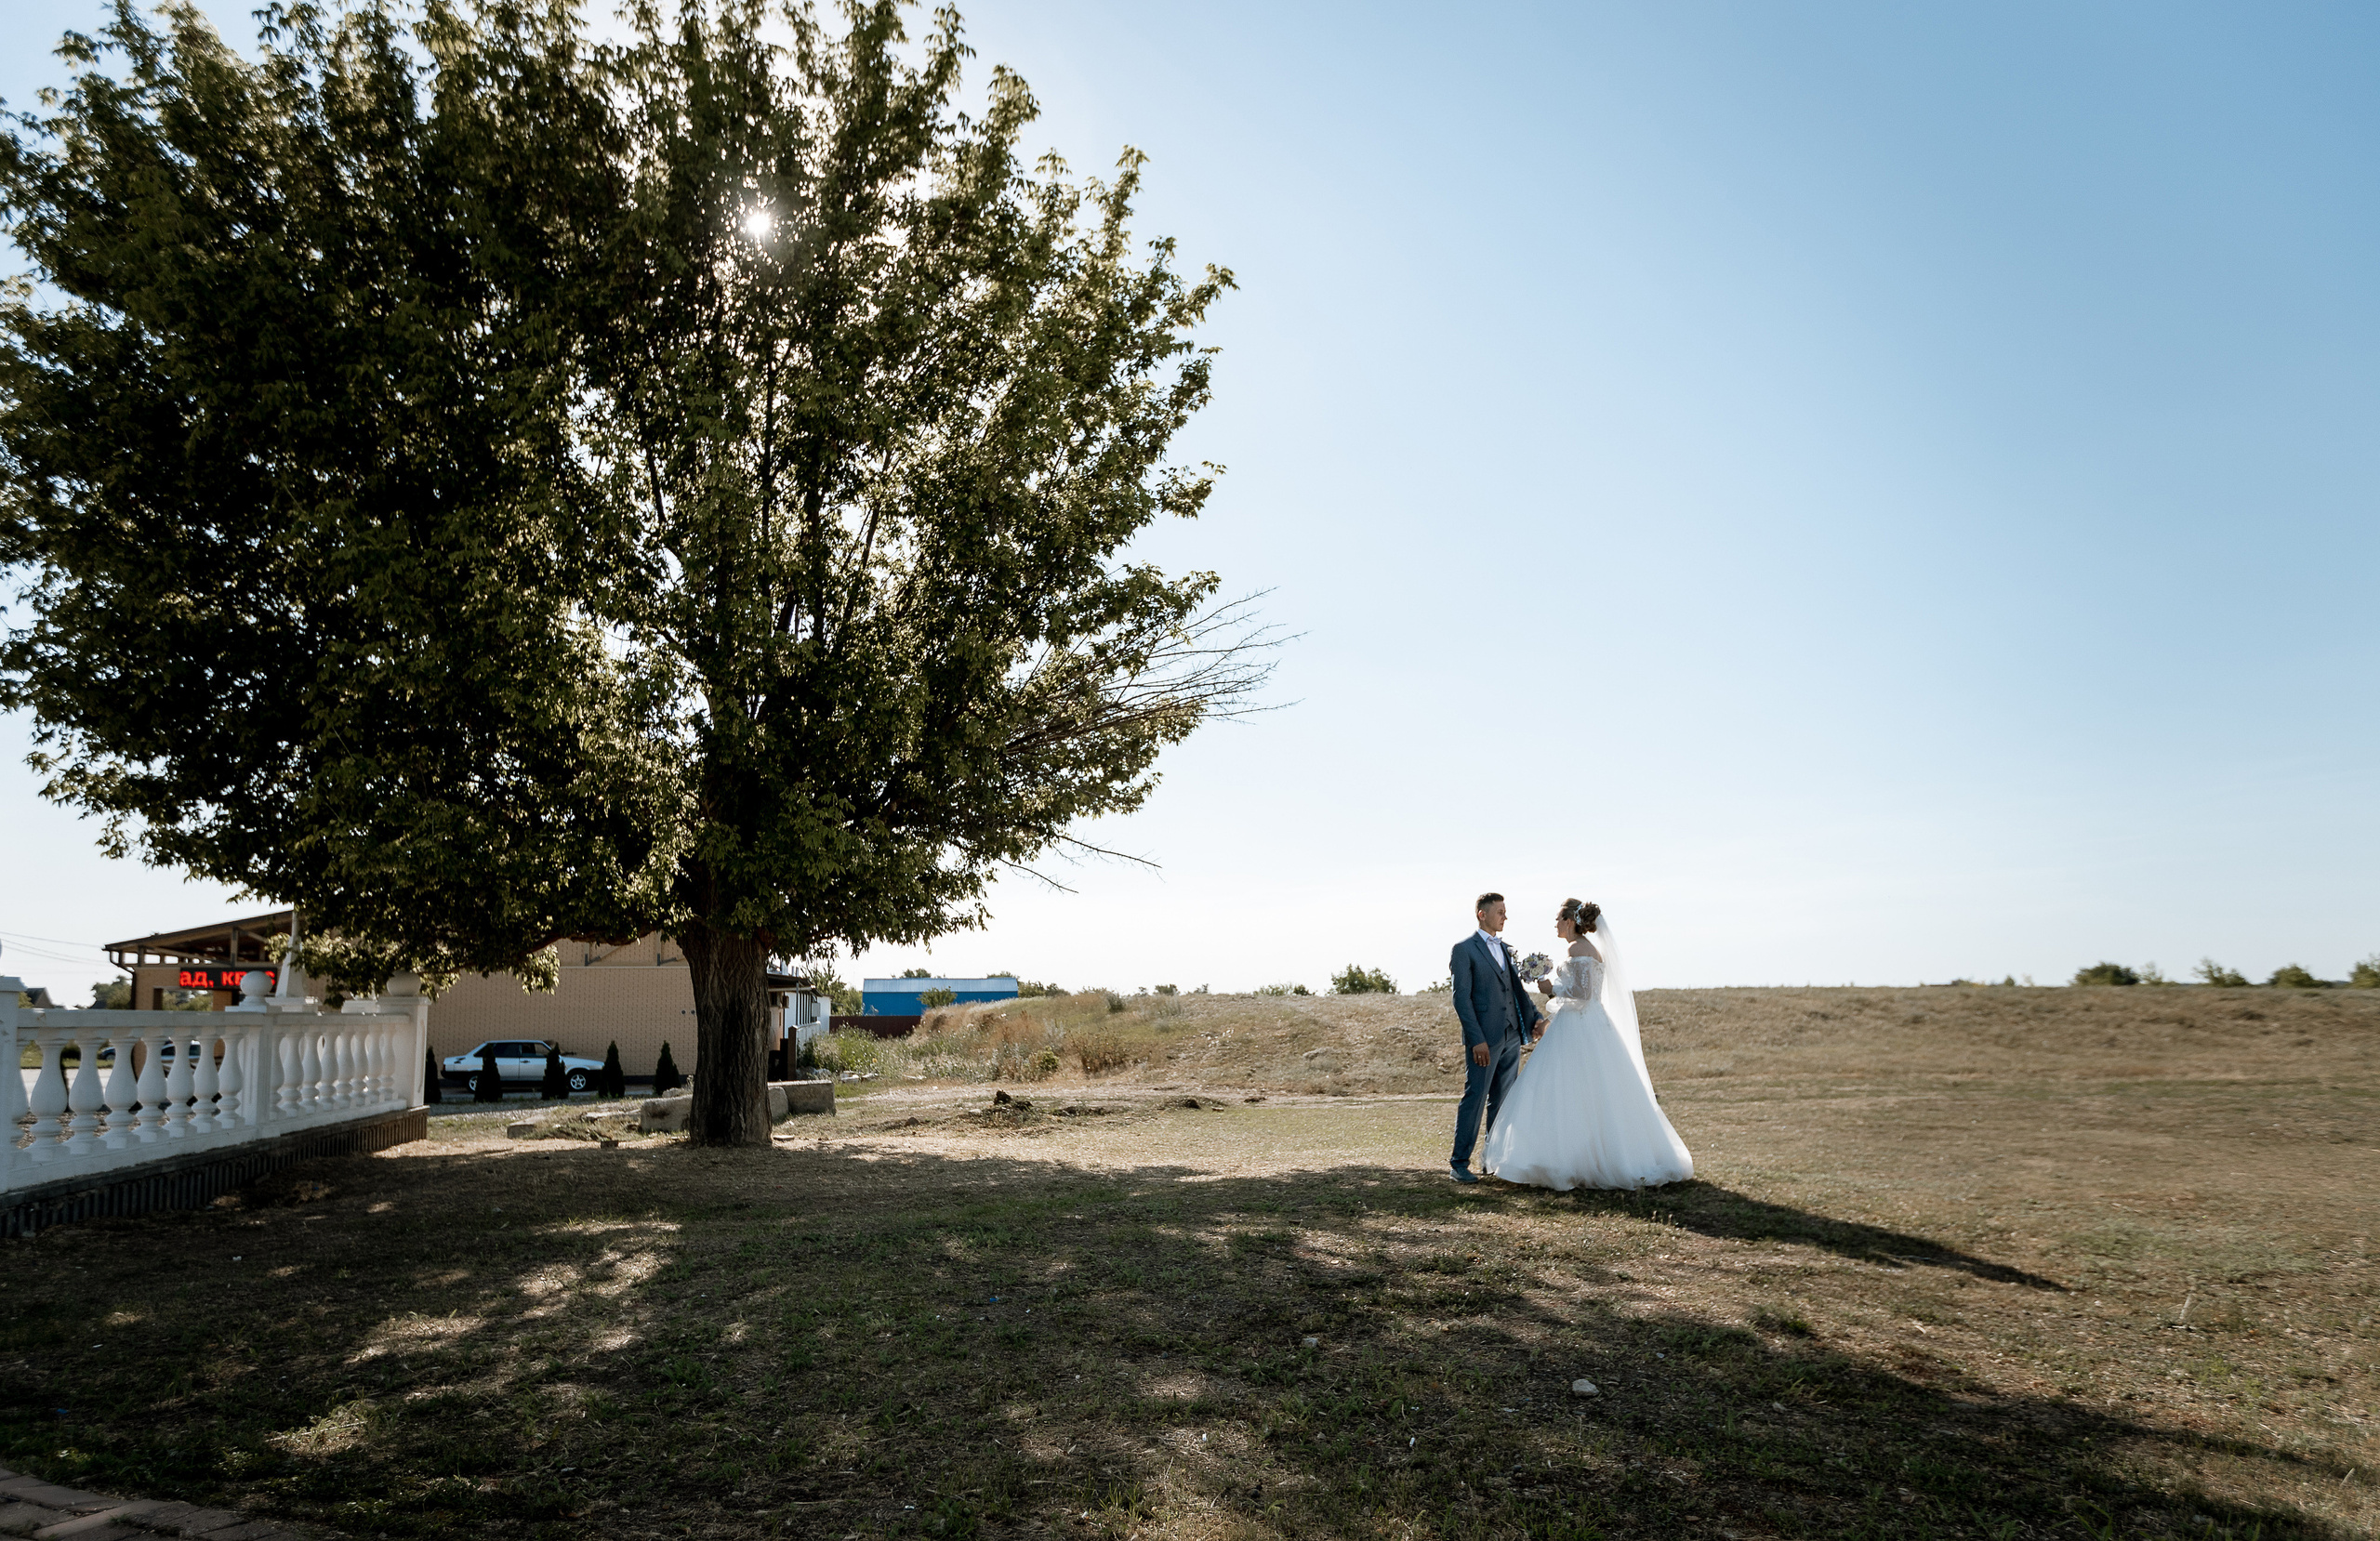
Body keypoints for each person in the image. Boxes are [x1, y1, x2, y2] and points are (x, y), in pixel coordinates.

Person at [1480, 898, 1693, 1191]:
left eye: (1557, 919)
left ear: (1569, 921)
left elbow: (1581, 994)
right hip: (1591, 1024)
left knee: (1565, 1090)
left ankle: (1571, 1160)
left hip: (1578, 1027)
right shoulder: (1590, 950)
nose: (1555, 925)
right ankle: (1592, 1154)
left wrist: (1549, 988)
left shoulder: (1576, 948)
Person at [1448, 891, 1541, 1183]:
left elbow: (1516, 991)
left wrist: (1535, 1017)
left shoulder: (1505, 948)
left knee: (1503, 1101)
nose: (1505, 916)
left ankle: (1492, 1159)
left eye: (1505, 911)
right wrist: (1477, 1039)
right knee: (1475, 1098)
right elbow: (1461, 999)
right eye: (1500, 911)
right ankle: (1459, 1164)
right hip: (1484, 1040)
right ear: (1482, 914)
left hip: (1512, 1034)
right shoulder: (1464, 949)